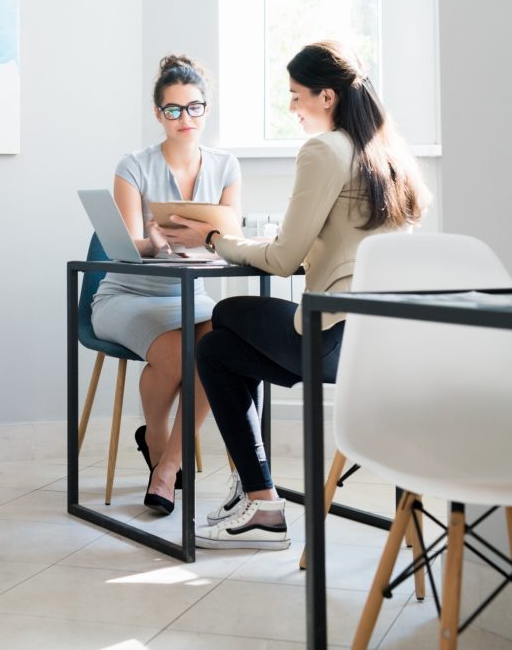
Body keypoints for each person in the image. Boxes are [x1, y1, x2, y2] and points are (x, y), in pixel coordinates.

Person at [158, 40, 429, 549]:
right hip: (379, 341)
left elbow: (282, 261)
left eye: (295, 95)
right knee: (215, 350)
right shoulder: (387, 152)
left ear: (326, 97)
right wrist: (279, 248)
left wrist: (214, 240)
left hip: (331, 337)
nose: (291, 107)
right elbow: (342, 247)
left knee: (228, 312)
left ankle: (261, 502)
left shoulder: (324, 150)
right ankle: (262, 504)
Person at [91, 54, 241, 515]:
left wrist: (219, 241)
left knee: (220, 348)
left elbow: (228, 239)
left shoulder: (226, 166)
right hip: (129, 295)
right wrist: (153, 244)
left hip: (190, 295)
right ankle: (157, 438)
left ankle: (168, 464)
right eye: (173, 110)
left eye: (193, 107)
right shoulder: (132, 166)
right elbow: (123, 246)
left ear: (206, 109)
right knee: (178, 354)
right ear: (158, 114)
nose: (184, 118)